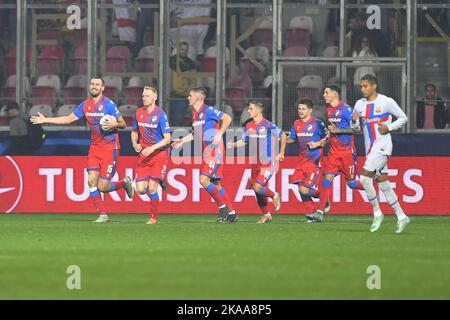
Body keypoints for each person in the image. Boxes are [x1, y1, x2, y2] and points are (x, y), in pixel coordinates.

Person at [30, 76, 134, 223]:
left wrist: (114, 125)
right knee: (91, 182)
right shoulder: (85, 105)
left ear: (103, 88)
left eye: (97, 84)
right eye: (92, 84)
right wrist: (46, 120)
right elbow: (68, 119)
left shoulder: (109, 105)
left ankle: (124, 183)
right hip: (95, 149)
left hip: (110, 148)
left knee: (103, 187)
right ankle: (103, 215)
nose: (94, 86)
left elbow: (123, 124)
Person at [352, 74, 410, 234]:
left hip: (383, 146)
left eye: (365, 86)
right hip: (370, 148)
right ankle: (401, 216)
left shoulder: (386, 101)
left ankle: (377, 213)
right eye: (361, 86)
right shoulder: (359, 104)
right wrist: (354, 121)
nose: (362, 89)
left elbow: (403, 118)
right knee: (383, 182)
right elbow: (357, 128)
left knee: (364, 178)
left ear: (374, 86)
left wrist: (389, 127)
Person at [172, 87, 237, 222]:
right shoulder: (195, 114)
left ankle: (222, 207)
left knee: (203, 179)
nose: (188, 98)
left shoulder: (208, 110)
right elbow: (197, 134)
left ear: (198, 98)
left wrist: (219, 134)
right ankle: (232, 213)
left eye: (190, 95)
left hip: (214, 149)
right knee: (216, 184)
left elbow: (227, 118)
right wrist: (182, 141)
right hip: (206, 152)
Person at [307, 85, 365, 223]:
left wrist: (337, 130)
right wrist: (320, 142)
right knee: (326, 179)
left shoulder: (346, 110)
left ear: (334, 94)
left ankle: (372, 190)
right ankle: (320, 212)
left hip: (347, 153)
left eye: (327, 93)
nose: (324, 95)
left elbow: (357, 129)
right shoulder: (330, 110)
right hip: (333, 152)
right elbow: (332, 132)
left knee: (352, 183)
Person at [228, 101, 286, 224]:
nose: (248, 111)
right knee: (256, 190)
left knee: (258, 187)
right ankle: (266, 214)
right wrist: (233, 145)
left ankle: (274, 195)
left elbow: (283, 136)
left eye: (251, 108)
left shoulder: (268, 125)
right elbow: (244, 141)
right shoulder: (249, 126)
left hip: (268, 162)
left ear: (258, 111)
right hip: (256, 163)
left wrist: (281, 153)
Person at [131, 87, 171, 225]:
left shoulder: (161, 115)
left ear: (155, 97)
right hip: (144, 156)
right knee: (141, 190)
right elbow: (134, 131)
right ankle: (160, 179)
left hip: (159, 154)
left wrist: (152, 148)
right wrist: (134, 143)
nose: (144, 98)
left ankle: (153, 217)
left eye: (147, 96)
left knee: (152, 187)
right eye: (143, 96)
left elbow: (167, 139)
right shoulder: (138, 113)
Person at [286, 99, 328, 215]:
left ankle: (323, 199)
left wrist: (318, 144)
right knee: (300, 189)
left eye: (303, 109)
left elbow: (329, 137)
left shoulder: (317, 123)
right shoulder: (296, 124)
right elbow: (291, 139)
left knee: (304, 190)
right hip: (301, 161)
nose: (300, 111)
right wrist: (282, 138)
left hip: (314, 162)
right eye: (299, 108)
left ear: (310, 110)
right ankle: (311, 213)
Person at [169, 41, 197, 126]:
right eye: (182, 49)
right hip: (169, 96)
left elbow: (193, 82)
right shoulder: (170, 61)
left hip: (182, 97)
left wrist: (188, 95)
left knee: (178, 120)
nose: (184, 51)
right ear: (178, 50)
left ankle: (176, 138)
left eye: (186, 50)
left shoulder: (190, 64)